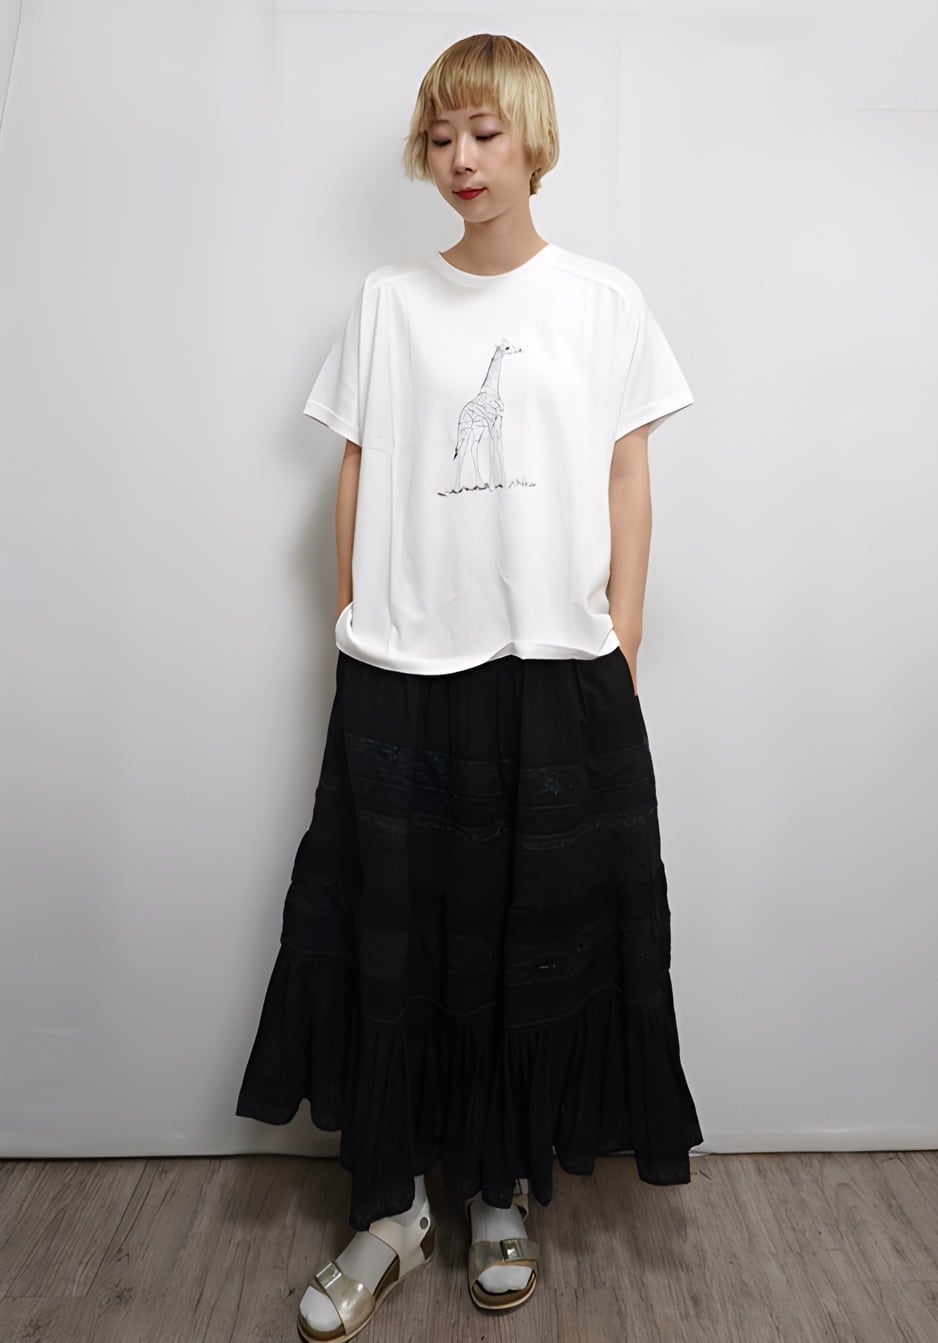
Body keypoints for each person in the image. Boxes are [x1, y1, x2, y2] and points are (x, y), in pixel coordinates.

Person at [235, 31, 704, 1343]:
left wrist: (621, 632)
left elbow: (626, 473)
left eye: (484, 133)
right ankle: (390, 1207)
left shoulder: (602, 300)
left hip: (552, 667)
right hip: (406, 670)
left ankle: (497, 1188)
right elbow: (356, 467)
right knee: (394, 939)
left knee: (526, 935)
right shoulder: (389, 301)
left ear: (531, 140)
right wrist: (358, 619)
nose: (460, 159)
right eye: (440, 137)